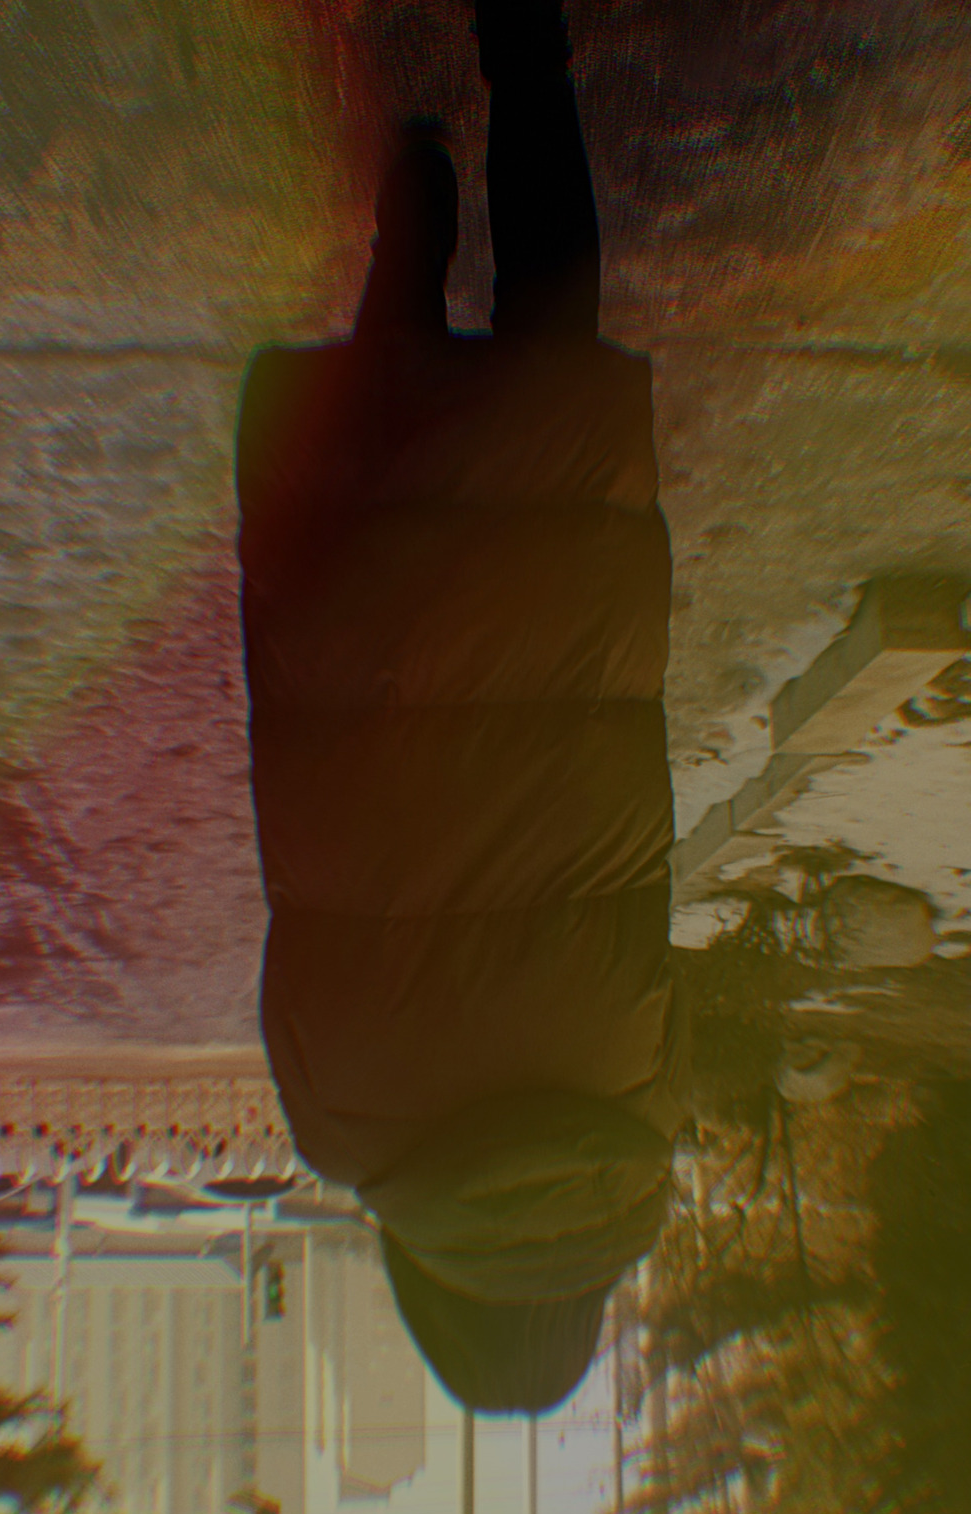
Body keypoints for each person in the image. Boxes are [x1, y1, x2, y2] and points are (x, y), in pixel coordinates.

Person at [235, 0, 687, 1414]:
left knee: (554, 334)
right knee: (388, 447)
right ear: (436, 1295)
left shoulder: (634, 1088)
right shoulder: (344, 1126)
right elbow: (295, 939)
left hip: (569, 614)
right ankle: (411, 216)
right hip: (365, 666)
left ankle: (527, 45)